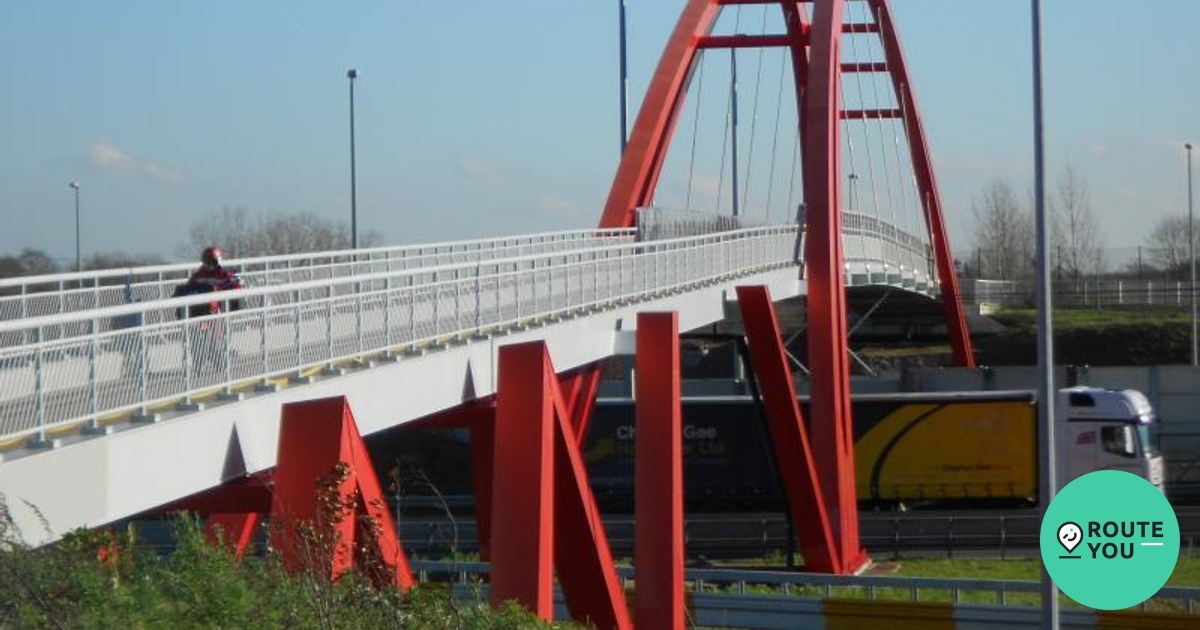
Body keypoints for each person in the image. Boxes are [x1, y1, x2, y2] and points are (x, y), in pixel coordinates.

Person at [173, 246, 245, 376]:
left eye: (211, 262)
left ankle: (220, 366)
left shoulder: (226, 274)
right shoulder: (198, 274)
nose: (208, 265)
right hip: (198, 312)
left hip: (216, 313)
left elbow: (237, 288)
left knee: (215, 341)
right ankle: (198, 366)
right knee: (196, 340)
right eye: (206, 262)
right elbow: (189, 287)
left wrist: (230, 286)